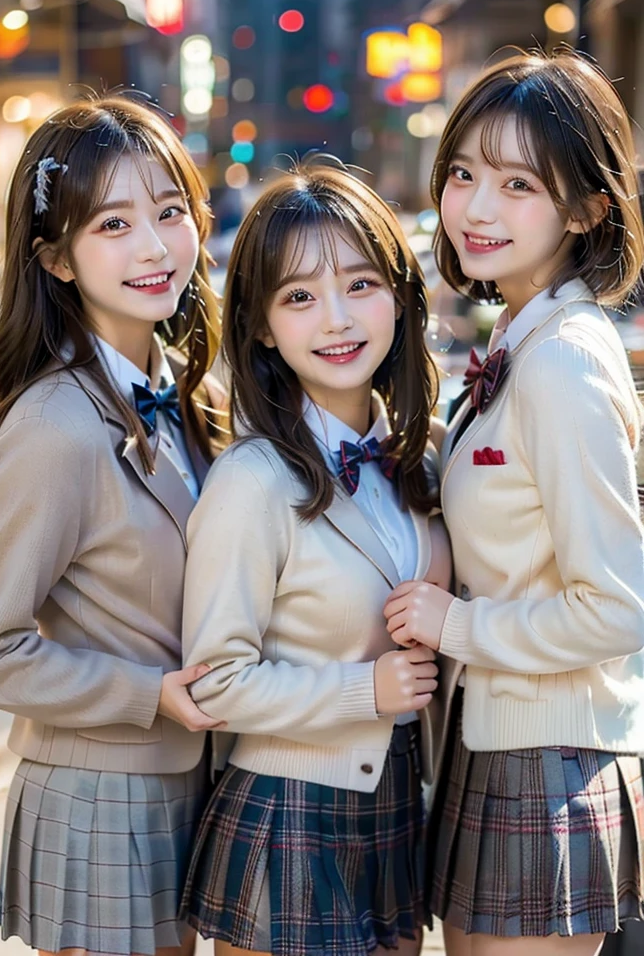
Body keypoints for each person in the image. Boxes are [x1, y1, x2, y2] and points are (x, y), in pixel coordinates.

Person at [383, 47, 644, 956]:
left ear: (587, 207)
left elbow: (618, 605)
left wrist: (459, 627)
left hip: (550, 758)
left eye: (517, 184)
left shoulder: (566, 359)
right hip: (495, 743)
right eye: (463, 173)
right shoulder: (522, 340)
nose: (476, 207)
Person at [0, 93, 226, 956]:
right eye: (112, 224)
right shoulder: (53, 429)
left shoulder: (197, 394)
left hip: (204, 785)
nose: (155, 248)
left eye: (169, 210)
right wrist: (148, 694)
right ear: (58, 258)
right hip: (101, 800)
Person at [177, 158, 452, 956]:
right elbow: (216, 681)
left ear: (400, 295)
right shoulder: (252, 481)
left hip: (397, 805)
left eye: (360, 284)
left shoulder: (420, 459)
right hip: (289, 814)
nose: (336, 319)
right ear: (262, 325)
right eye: (299, 297)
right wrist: (362, 688)